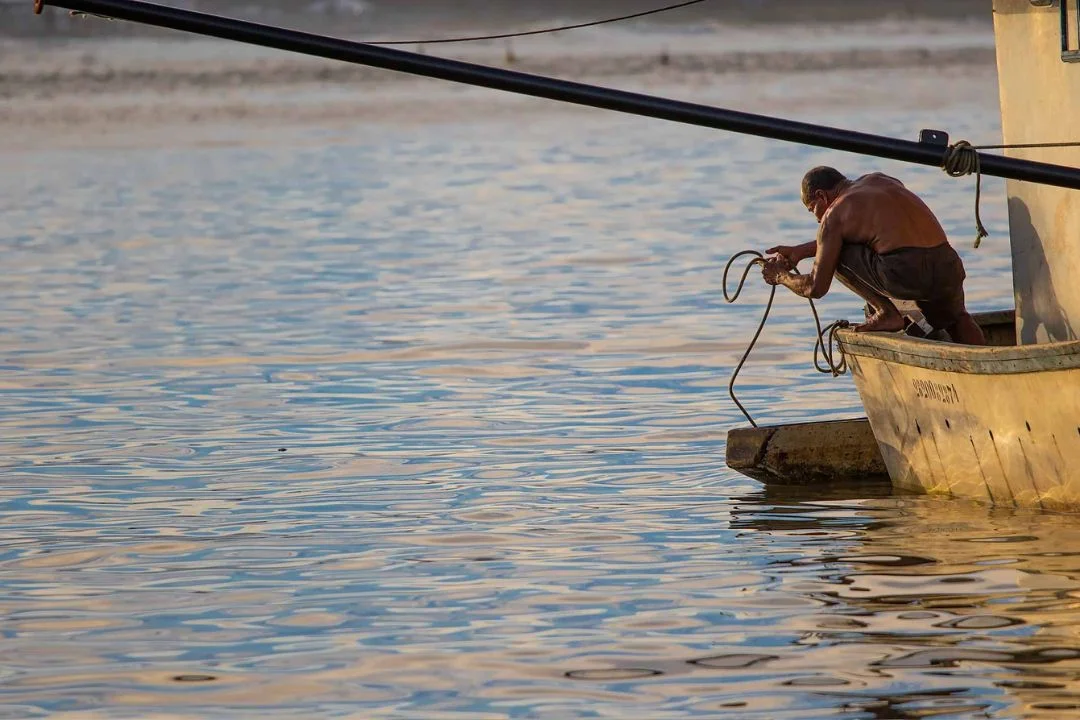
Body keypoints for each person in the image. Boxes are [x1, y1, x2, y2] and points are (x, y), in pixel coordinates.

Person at [762, 166, 985, 345]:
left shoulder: (834, 214)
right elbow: (881, 229)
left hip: (907, 270)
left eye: (813, 210)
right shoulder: (881, 180)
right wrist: (800, 251)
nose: (818, 219)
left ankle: (886, 313)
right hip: (947, 264)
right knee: (957, 318)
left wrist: (780, 276)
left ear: (821, 195)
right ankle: (987, 366)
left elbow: (815, 287)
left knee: (835, 256)